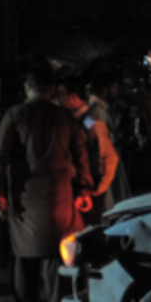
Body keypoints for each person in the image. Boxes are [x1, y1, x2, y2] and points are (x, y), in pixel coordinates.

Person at [0, 60, 94, 302]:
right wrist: (83, 188)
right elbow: (82, 154)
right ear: (51, 88)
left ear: (28, 86)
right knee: (57, 251)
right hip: (59, 192)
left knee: (23, 253)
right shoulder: (65, 117)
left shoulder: (14, 115)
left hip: (23, 193)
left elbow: (0, 158)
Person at [57, 75, 126, 224]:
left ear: (73, 97)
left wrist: (99, 189)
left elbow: (111, 157)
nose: (59, 99)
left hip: (93, 190)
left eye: (62, 94)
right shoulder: (76, 121)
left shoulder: (89, 121)